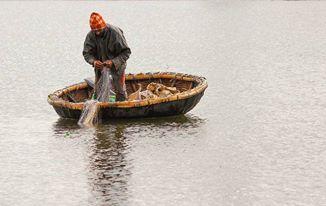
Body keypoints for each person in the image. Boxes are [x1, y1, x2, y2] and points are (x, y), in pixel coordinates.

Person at [83, 12, 131, 101]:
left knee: (119, 90)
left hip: (118, 65)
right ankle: (101, 108)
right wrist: (93, 61)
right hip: (100, 66)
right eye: (95, 31)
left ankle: (122, 106)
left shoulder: (115, 33)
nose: (97, 32)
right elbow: (87, 53)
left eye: (99, 30)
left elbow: (126, 52)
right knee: (98, 91)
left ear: (104, 26)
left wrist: (113, 62)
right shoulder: (90, 35)